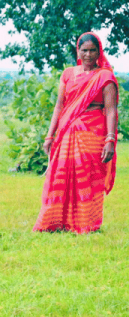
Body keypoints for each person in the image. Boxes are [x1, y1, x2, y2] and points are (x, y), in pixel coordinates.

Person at [33, 32, 118, 233]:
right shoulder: (68, 74)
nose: (88, 55)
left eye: (92, 50)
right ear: (77, 51)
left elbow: (112, 109)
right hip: (67, 131)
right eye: (84, 50)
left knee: (87, 177)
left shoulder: (104, 76)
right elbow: (59, 106)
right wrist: (49, 135)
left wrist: (111, 140)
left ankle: (87, 224)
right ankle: (55, 222)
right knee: (61, 174)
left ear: (99, 52)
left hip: (93, 132)